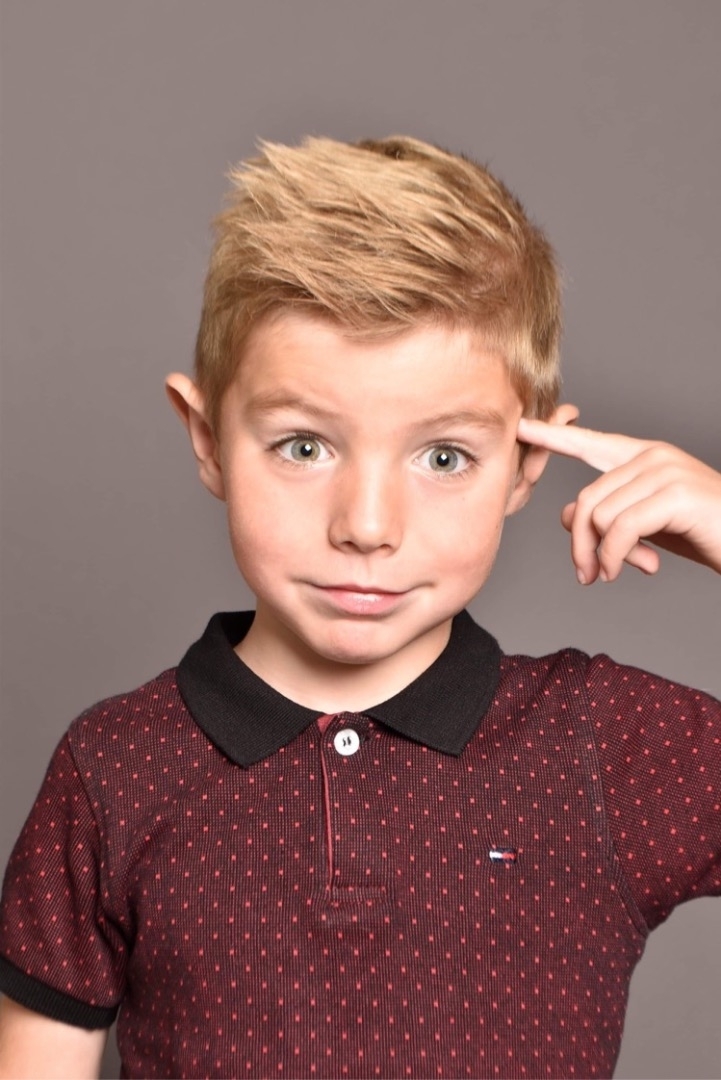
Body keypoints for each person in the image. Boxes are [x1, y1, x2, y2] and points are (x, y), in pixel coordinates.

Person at [0, 135, 718, 1080]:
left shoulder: (600, 747)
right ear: (207, 438)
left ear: (526, 466)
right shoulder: (115, 766)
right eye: (303, 447)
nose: (368, 526)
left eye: (443, 457)